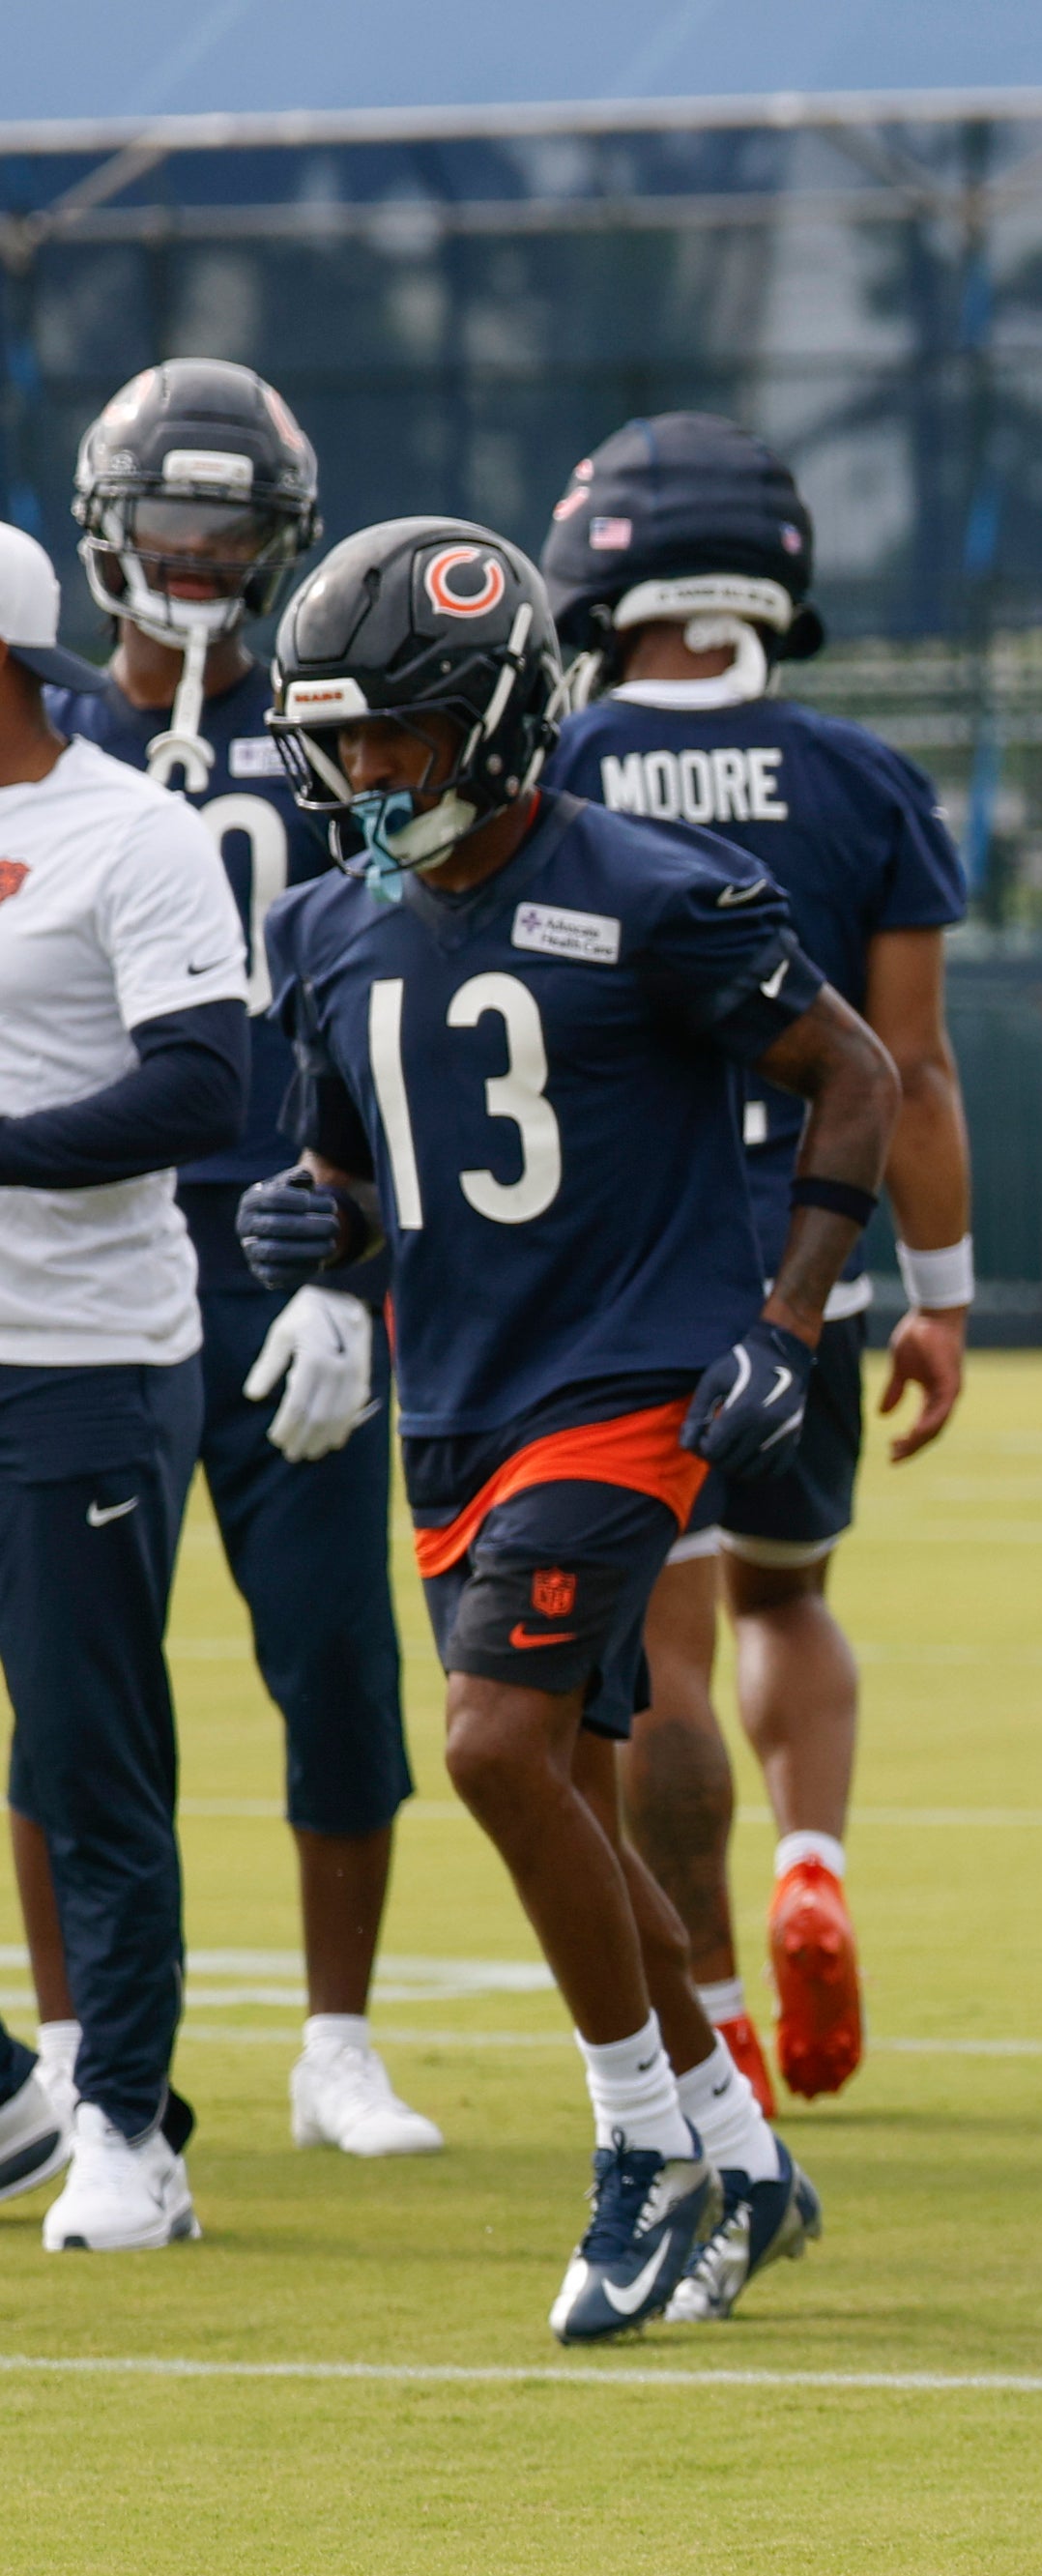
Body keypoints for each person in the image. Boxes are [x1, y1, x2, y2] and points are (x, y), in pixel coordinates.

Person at [249, 514, 884, 2336]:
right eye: (342, 738)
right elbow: (368, 1162)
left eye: (399, 733)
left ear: (506, 718)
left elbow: (856, 1070)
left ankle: (640, 2150)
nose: (366, 771)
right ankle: (735, 2141)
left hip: (623, 1386)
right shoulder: (326, 926)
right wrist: (317, 1229)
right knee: (572, 1793)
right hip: (454, 1400)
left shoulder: (658, 893)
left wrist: (786, 1317)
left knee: (493, 1747)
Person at [21, 358, 435, 2164]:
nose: (195, 564)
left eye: (228, 533)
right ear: (109, 538)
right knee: (66, 1683)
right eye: (168, 530)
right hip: (81, 1268)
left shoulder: (334, 727)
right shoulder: (50, 747)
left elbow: (403, 990)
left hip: (283, 1246)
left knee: (337, 1657)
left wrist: (359, 1265)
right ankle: (69, 2043)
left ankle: (334, 2036)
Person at [547, 411, 977, 2114]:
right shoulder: (862, 778)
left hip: (636, 1273)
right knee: (792, 1595)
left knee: (663, 1640)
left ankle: (714, 1998)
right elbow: (913, 1066)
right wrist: (940, 1295)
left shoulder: (559, 772)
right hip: (820, 1254)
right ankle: (813, 1852)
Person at [0, 519, 252, 2248]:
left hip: (84, 1360)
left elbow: (201, 1090)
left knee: (92, 1755)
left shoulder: (131, 832)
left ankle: (122, 2125)